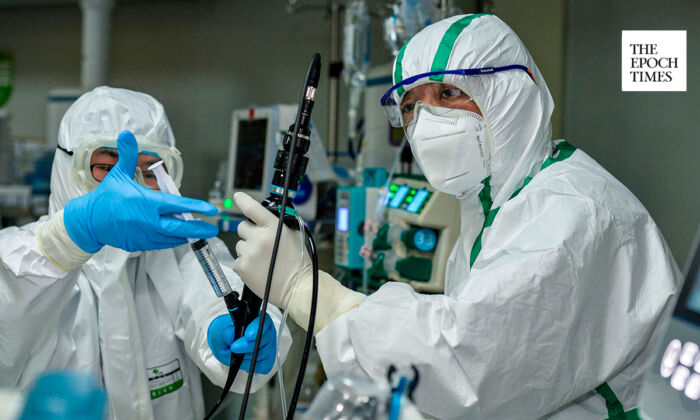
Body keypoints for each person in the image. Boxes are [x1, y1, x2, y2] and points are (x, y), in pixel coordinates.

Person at [232, 14, 681, 419]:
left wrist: (308, 291)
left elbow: (465, 367)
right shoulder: (497, 205)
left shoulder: (572, 213)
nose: (426, 121)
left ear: (509, 94)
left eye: (449, 93)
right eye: (410, 106)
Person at [0, 86, 291, 420]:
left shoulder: (180, 251)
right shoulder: (28, 260)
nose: (131, 186)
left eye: (150, 170)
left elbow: (217, 294)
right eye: (106, 168)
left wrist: (234, 330)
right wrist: (72, 236)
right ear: (68, 168)